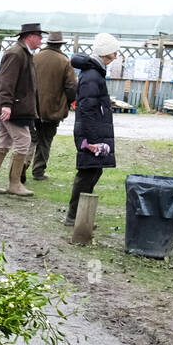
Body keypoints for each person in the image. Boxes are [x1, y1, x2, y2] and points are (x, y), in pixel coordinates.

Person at [0, 22, 42, 197]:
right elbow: (6, 81)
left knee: (4, 142)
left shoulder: (23, 53)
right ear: (29, 37)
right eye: (39, 36)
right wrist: (6, 104)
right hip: (14, 108)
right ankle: (15, 184)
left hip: (15, 106)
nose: (41, 39)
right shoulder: (16, 53)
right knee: (23, 141)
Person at [64, 33, 118, 227]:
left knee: (93, 172)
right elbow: (86, 109)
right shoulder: (92, 75)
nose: (116, 56)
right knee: (87, 173)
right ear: (107, 54)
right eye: (114, 52)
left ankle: (78, 213)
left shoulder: (94, 73)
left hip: (92, 130)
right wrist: (92, 141)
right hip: (90, 133)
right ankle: (74, 215)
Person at [29, 29, 77, 182]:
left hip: (32, 107)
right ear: (60, 45)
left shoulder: (35, 57)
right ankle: (38, 171)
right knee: (45, 140)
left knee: (30, 139)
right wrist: (67, 103)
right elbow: (71, 87)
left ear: (48, 43)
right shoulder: (64, 61)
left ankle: (21, 167)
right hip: (52, 109)